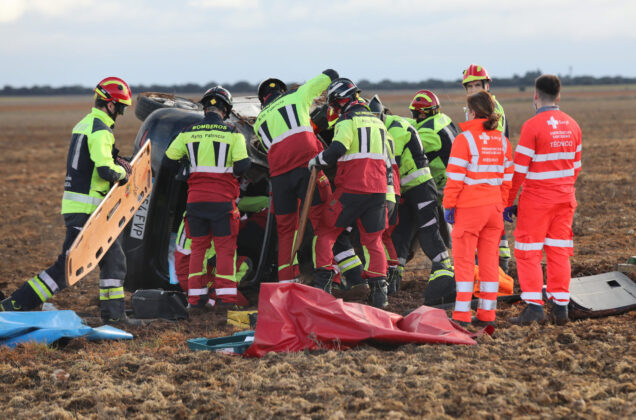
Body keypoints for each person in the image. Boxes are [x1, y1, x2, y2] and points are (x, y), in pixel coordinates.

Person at [0, 77, 139, 325]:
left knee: (114, 260)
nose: (121, 113)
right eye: (121, 108)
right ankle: (15, 304)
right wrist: (124, 173)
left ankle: (115, 316)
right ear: (110, 105)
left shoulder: (85, 124)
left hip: (86, 209)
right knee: (66, 269)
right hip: (87, 210)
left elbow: (93, 161)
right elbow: (106, 171)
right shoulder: (101, 130)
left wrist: (117, 160)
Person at [164, 86, 251, 309]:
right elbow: (242, 165)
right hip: (222, 203)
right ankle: (226, 300)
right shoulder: (233, 133)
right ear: (226, 110)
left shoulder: (187, 132)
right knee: (225, 250)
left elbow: (168, 160)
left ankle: (196, 300)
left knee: (198, 249)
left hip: (195, 203)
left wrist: (186, 165)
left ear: (205, 109)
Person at [506, 74, 582, 326]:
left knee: (528, 252)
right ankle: (561, 308)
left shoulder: (532, 126)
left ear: (535, 95)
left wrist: (508, 200)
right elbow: (576, 167)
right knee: (559, 251)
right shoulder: (573, 125)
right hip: (565, 199)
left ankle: (534, 308)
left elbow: (519, 170)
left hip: (537, 201)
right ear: (558, 96)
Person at [309, 78, 389, 307]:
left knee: (326, 232)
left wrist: (317, 160)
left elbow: (338, 148)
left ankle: (323, 285)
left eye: (334, 105)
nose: (334, 109)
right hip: (378, 192)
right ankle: (379, 295)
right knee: (373, 241)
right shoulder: (378, 123)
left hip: (352, 190)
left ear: (341, 101)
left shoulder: (347, 121)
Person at [253, 70, 339, 284]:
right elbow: (330, 75)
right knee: (322, 220)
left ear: (263, 100)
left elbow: (271, 149)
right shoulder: (297, 95)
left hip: (280, 179)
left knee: (286, 231)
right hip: (307, 167)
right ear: (282, 90)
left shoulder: (258, 122)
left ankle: (286, 281)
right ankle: (328, 275)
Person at [369, 94, 454, 302]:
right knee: (401, 234)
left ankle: (445, 273)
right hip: (405, 191)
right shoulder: (395, 124)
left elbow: (391, 164)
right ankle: (395, 277)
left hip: (422, 188)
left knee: (428, 230)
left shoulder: (396, 129)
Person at [443, 91, 513, 327]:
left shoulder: (464, 140)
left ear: (472, 112)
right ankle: (487, 314)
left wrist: (449, 205)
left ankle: (461, 315)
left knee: (464, 263)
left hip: (470, 210)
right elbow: (507, 181)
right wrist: (500, 205)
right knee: (490, 263)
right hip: (494, 210)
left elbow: (455, 179)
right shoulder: (503, 142)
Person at [462, 64, 512, 271]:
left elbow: (488, 142)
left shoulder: (490, 108)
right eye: (470, 86)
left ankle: (494, 267)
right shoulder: (484, 106)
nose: (473, 90)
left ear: (487, 85)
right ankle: (497, 265)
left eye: (477, 85)